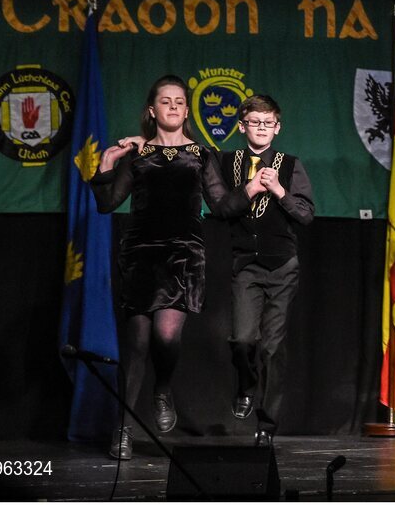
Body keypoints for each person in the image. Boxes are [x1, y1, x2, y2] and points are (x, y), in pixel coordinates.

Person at [90, 75, 262, 460]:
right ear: (152, 111)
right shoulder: (138, 154)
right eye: (164, 101)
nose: (172, 106)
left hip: (183, 254)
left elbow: (219, 206)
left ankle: (163, 388)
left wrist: (249, 191)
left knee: (166, 335)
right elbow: (107, 203)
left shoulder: (201, 155)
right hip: (140, 253)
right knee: (136, 343)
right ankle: (123, 428)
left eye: (179, 101)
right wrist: (106, 162)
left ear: (186, 110)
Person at [219, 95, 315, 448]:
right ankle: (245, 385)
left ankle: (267, 423)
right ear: (242, 126)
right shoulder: (228, 161)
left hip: (282, 266)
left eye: (268, 123)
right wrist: (250, 188)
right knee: (243, 339)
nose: (261, 128)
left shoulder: (290, 164)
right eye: (254, 122)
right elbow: (221, 208)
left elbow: (305, 215)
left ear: (278, 127)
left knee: (272, 348)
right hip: (246, 265)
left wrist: (278, 190)